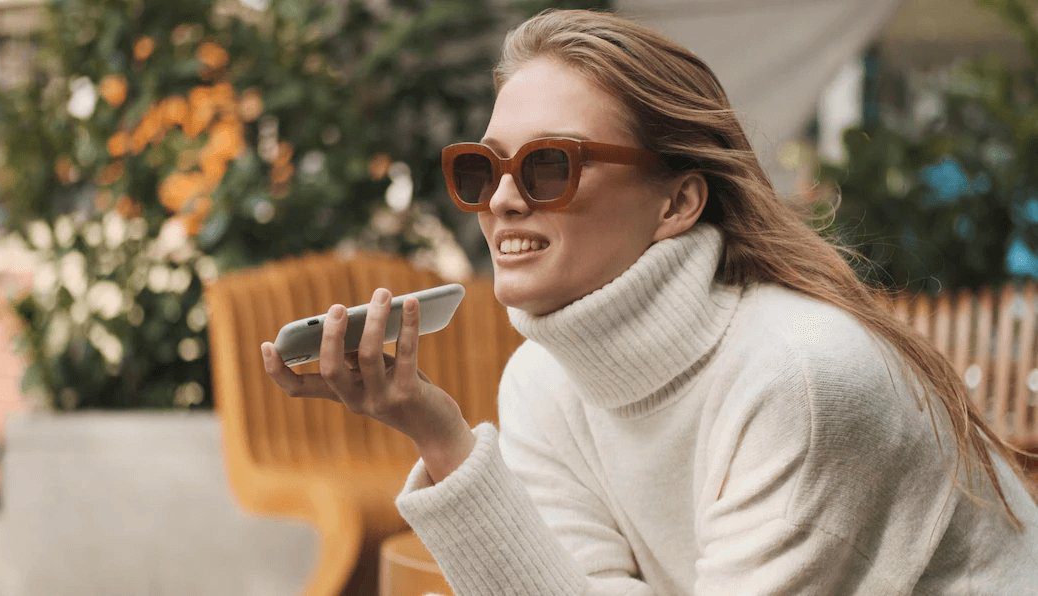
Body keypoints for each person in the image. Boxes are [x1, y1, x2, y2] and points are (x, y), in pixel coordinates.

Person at [261, 8, 1038, 594]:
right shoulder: (543, 383)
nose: (500, 199)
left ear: (678, 202)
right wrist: (436, 433)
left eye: (548, 166)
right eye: (480, 168)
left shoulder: (799, 376)